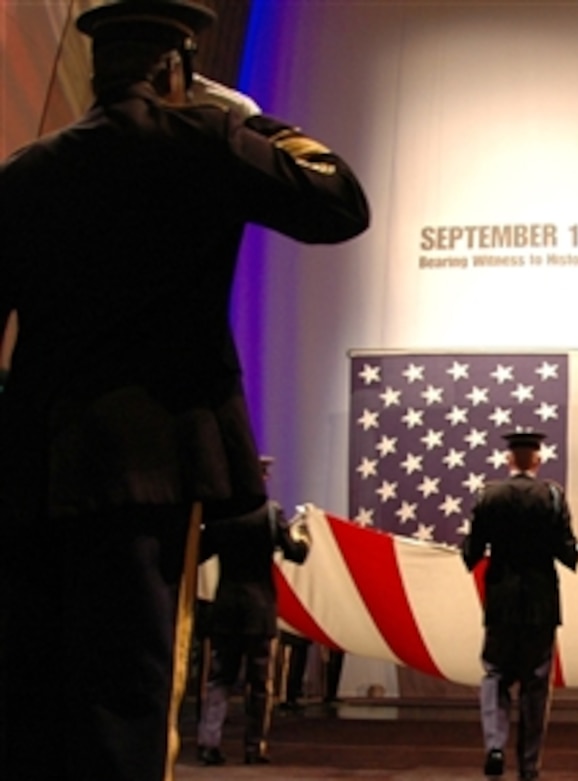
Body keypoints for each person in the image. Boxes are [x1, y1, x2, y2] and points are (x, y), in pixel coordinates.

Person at [0, 0, 369, 776]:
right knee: (133, 687)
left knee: (40, 686)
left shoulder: (26, 172)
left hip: (38, 464)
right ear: (177, 70)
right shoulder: (203, 142)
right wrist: (257, 125)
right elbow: (340, 205)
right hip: (156, 462)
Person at [461, 430, 578, 781]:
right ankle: (529, 766)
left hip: (500, 600)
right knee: (536, 684)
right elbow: (566, 550)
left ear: (509, 460)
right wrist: (577, 554)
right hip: (541, 602)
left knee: (495, 675)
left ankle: (494, 745)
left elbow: (471, 552)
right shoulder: (553, 497)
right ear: (538, 460)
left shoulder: (488, 496)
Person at [197, 456, 311, 765]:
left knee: (219, 679)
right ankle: (254, 746)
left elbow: (198, 554)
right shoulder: (271, 514)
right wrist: (305, 534)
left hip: (226, 607)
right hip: (259, 609)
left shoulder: (220, 515)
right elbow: (296, 554)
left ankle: (209, 742)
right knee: (260, 684)